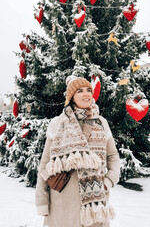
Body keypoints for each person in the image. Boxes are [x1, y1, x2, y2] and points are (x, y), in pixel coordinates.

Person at [35, 75, 120, 227]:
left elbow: (113, 156)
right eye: (80, 91)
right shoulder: (57, 123)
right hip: (62, 201)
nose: (86, 94)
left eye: (89, 90)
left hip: (95, 201)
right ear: (72, 96)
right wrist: (42, 201)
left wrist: (108, 182)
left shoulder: (101, 123)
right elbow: (45, 163)